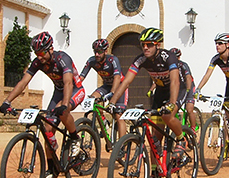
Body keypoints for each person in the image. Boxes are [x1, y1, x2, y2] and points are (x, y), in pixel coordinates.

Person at [0, 31, 85, 178]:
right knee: (47, 131)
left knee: (62, 110)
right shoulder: (38, 62)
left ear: (50, 48)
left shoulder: (62, 59)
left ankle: (75, 139)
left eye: (41, 53)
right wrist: (7, 101)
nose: (39, 57)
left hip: (75, 90)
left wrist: (64, 104)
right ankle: (52, 170)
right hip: (58, 92)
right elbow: (23, 82)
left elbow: (68, 83)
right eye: (36, 53)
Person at [109, 27, 187, 159]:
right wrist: (112, 102)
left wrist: (172, 104)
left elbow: (175, 82)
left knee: (167, 115)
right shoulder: (141, 59)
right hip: (161, 92)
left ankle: (181, 139)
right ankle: (154, 174)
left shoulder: (169, 57)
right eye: (143, 45)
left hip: (177, 90)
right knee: (155, 139)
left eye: (149, 45)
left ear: (158, 45)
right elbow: (126, 81)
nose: (145, 48)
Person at [195, 32, 229, 137]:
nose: (217, 46)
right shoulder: (215, 59)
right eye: (216, 43)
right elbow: (207, 75)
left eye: (220, 43)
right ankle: (226, 149)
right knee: (227, 119)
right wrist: (198, 89)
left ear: (228, 45)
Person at [80, 38, 127, 138]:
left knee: (119, 115)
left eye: (100, 52)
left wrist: (112, 93)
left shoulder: (113, 60)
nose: (97, 54)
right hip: (106, 85)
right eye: (95, 52)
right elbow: (81, 77)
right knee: (94, 100)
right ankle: (104, 121)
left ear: (106, 51)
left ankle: (122, 146)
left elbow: (117, 77)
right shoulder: (91, 61)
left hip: (120, 86)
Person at [169, 47, 197, 128]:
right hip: (179, 88)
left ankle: (193, 128)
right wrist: (151, 89)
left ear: (179, 57)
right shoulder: (169, 66)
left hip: (188, 87)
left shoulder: (183, 65)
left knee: (189, 109)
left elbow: (188, 77)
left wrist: (188, 89)